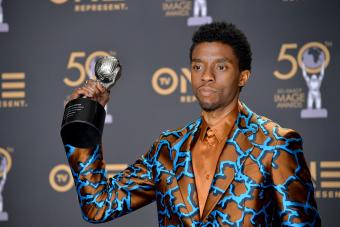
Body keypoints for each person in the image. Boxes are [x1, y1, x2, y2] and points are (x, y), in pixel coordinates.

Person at [64, 22, 321, 226]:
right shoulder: (167, 149)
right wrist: (82, 125)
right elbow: (99, 206)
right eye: (198, 66)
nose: (206, 76)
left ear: (243, 76)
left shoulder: (276, 144)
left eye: (220, 66)